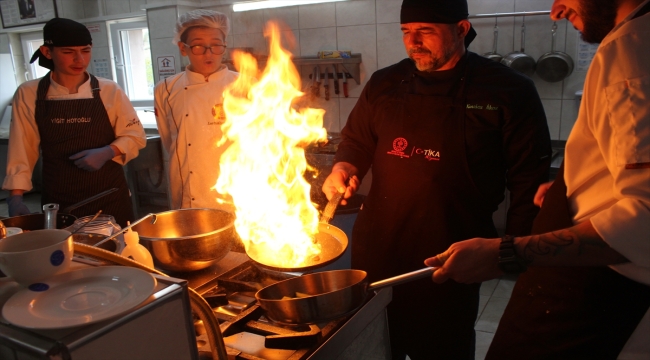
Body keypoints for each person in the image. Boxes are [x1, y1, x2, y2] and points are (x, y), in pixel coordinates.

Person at [320, 0, 552, 358]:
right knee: (376, 342)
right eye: (406, 32)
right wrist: (344, 167)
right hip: (377, 247)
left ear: (461, 29)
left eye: (425, 31)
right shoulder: (385, 82)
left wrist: (513, 253)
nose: (413, 41)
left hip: (451, 252)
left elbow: (528, 180)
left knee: (444, 346)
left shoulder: (508, 90)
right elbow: (356, 141)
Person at [425, 0, 650, 358]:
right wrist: (571, 191)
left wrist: (505, 252)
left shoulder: (631, 48)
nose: (556, 10)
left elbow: (645, 222)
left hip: (604, 297)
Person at [2, 18, 146, 227]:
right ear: (47, 52)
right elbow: (22, 147)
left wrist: (108, 151)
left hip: (109, 193)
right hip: (59, 197)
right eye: (68, 52)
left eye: (85, 51)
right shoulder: (29, 93)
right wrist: (15, 196)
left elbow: (135, 135)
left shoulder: (108, 90)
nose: (79, 59)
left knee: (119, 252)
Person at [154, 9, 238, 210]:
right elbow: (170, 141)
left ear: (224, 47)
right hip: (188, 195)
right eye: (199, 46)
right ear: (184, 49)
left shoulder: (247, 86)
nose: (209, 53)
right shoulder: (165, 89)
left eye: (216, 45)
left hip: (238, 195)